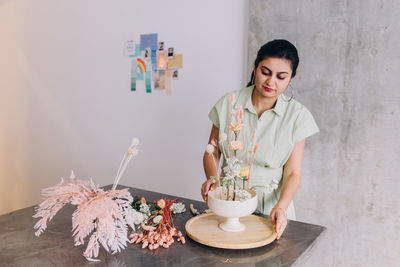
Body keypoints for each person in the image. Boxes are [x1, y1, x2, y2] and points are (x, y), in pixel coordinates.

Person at [201, 39, 319, 239]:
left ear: (291, 79)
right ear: (255, 68)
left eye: (281, 77)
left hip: (272, 208)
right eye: (265, 72)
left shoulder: (298, 116)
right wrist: (214, 182)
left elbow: (293, 172)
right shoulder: (228, 103)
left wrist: (281, 207)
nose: (271, 82)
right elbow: (211, 151)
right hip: (229, 200)